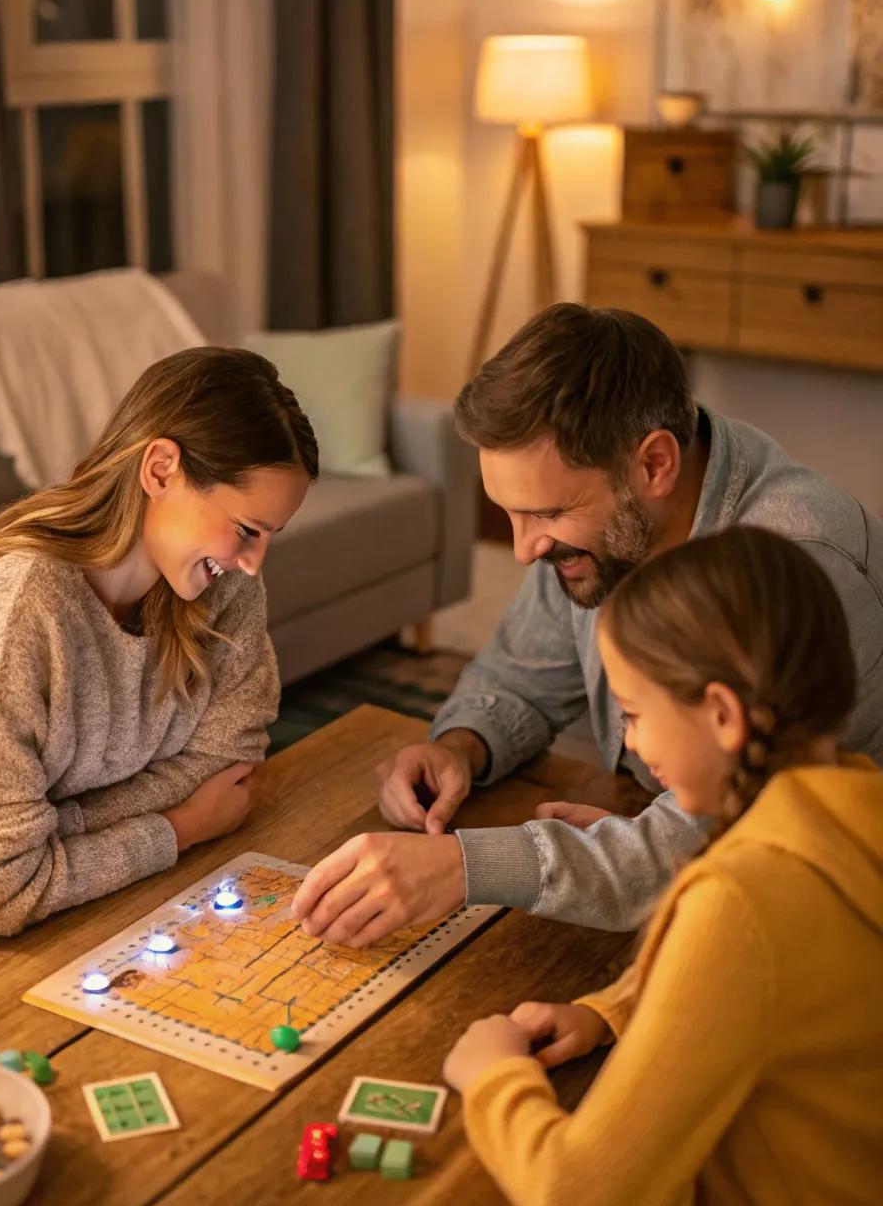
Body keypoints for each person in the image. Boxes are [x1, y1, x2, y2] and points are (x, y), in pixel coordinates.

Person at [291, 304, 883, 947]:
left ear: (654, 464)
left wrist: (465, 868)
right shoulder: (614, 522)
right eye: (509, 515)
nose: (521, 552)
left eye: (545, 513)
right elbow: (520, 673)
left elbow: (715, 840)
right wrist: (460, 746)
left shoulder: (798, 571)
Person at [442, 526, 883, 1206]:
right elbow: (773, 993)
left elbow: (581, 1204)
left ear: (720, 713)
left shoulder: (740, 899)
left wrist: (494, 1076)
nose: (633, 745)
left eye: (637, 712)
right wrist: (613, 1009)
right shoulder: (849, 802)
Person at [0, 347, 318, 955]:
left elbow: (228, 763)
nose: (253, 563)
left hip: (83, 897)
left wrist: (54, 833)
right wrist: (176, 827)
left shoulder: (225, 587)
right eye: (246, 530)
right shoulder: (24, 607)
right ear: (160, 469)